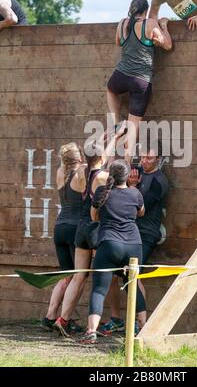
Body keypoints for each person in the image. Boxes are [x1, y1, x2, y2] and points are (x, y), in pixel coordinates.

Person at [53, 125, 127, 337]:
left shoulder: (81, 171)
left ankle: (63, 319)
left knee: (78, 276)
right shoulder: (102, 176)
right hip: (95, 228)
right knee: (106, 277)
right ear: (100, 157)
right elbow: (106, 162)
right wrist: (116, 139)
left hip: (81, 229)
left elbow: (100, 156)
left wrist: (111, 138)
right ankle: (101, 323)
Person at [100, 140, 169, 334]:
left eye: (150, 158)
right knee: (114, 277)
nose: (145, 161)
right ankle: (116, 319)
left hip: (145, 235)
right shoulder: (134, 171)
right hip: (125, 234)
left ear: (159, 160)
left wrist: (131, 186)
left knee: (134, 277)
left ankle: (141, 326)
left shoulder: (159, 181)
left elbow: (141, 207)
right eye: (143, 157)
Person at [78, 159, 146, 345]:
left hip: (109, 244)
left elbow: (94, 217)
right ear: (127, 176)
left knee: (99, 290)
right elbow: (141, 213)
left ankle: (91, 331)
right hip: (134, 245)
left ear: (110, 176)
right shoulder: (136, 193)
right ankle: (144, 327)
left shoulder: (101, 192)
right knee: (134, 286)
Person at [107, 0, 172, 161]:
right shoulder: (149, 23)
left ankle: (115, 123)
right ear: (145, 10)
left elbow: (118, 42)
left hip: (120, 76)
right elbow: (168, 45)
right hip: (140, 80)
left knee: (111, 89)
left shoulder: (122, 23)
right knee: (133, 128)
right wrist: (163, 25)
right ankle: (126, 169)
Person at [41, 142, 86, 333]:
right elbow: (101, 161)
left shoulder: (60, 172)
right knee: (79, 277)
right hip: (75, 229)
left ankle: (50, 316)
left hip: (60, 228)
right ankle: (63, 319)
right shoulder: (81, 173)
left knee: (65, 275)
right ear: (79, 158)